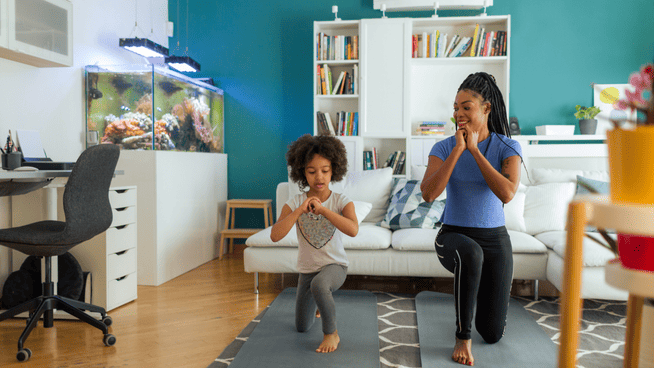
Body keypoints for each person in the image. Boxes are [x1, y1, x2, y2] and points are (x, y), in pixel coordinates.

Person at [420, 72, 523, 366]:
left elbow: (507, 193)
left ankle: (476, 306)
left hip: (495, 239)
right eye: (455, 108)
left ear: (486, 108)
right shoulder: (443, 148)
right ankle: (462, 337)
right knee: (470, 253)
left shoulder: (507, 147)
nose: (458, 114)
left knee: (492, 333)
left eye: (466, 107)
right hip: (452, 235)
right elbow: (428, 194)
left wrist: (476, 151)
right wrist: (458, 150)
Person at [270, 134, 359, 353]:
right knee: (301, 327)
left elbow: (353, 230)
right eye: (311, 171)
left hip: (335, 266)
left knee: (320, 285)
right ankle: (321, 304)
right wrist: (301, 209)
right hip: (307, 272)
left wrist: (324, 210)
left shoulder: (341, 201)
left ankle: (332, 333)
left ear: (334, 170)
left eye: (325, 170)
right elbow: (275, 235)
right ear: (302, 173)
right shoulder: (295, 203)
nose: (319, 177)